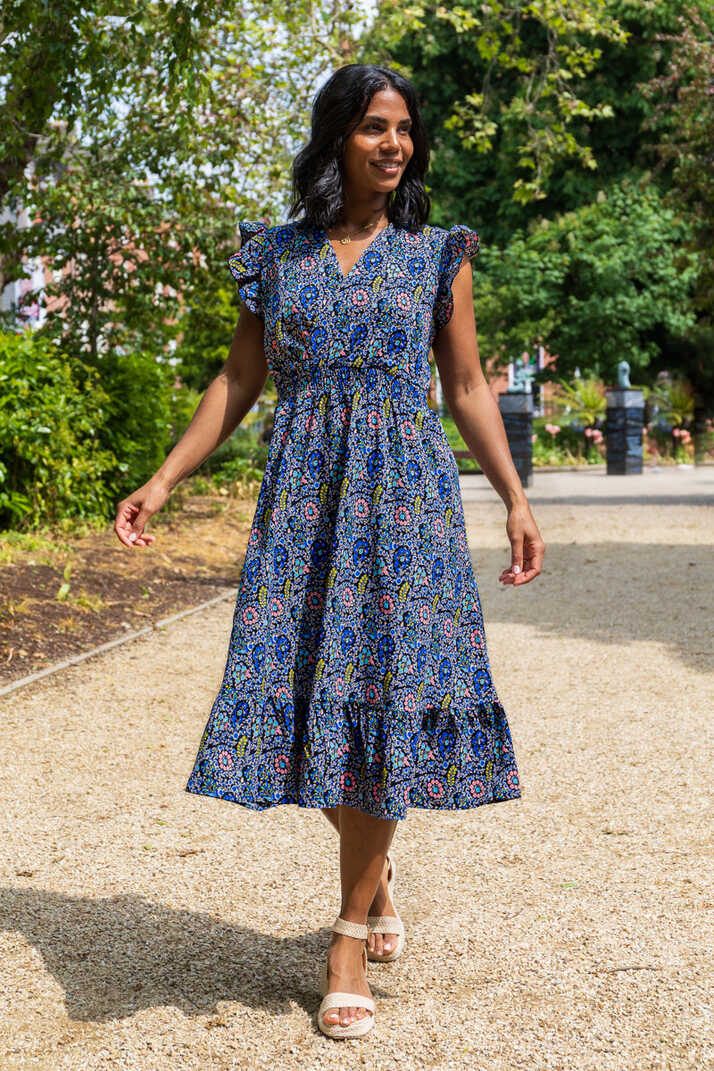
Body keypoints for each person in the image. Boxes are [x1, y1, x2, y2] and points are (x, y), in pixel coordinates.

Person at [114, 63, 545, 1040]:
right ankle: (376, 868)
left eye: (403, 130)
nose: (394, 145)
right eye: (373, 129)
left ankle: (349, 926)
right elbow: (237, 380)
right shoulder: (275, 256)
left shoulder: (440, 253)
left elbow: (470, 386)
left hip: (405, 505)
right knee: (305, 699)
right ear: (335, 138)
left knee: (385, 699)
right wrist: (164, 478)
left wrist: (516, 498)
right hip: (304, 503)